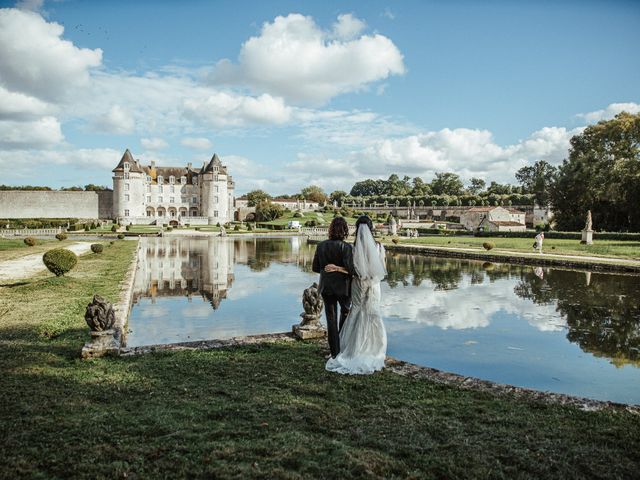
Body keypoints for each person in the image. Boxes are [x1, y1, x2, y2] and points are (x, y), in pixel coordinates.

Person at [325, 215, 387, 375]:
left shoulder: (353, 249)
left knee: (357, 311)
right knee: (373, 312)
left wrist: (338, 269)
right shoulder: (380, 247)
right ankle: (375, 349)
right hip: (374, 285)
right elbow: (382, 267)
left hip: (359, 284)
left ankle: (352, 349)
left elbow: (353, 271)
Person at [311, 217, 354, 358]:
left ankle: (334, 352)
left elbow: (315, 268)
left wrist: (329, 269)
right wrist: (339, 269)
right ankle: (342, 348)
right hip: (343, 287)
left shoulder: (321, 246)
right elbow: (352, 270)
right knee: (345, 314)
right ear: (345, 230)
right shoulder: (346, 247)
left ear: (330, 229)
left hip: (326, 287)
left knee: (331, 319)